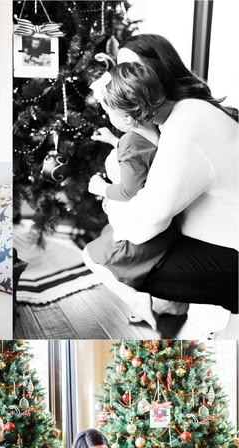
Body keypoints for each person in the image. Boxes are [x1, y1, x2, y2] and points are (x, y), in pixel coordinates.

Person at [82, 33, 238, 337]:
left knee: (113, 258)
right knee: (114, 238)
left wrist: (109, 201)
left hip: (232, 248)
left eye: (131, 69)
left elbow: (147, 221)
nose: (120, 79)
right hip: (223, 235)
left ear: (158, 73)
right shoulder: (184, 112)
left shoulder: (185, 125)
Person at [87, 64, 178, 328]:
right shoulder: (159, 131)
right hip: (164, 228)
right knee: (107, 234)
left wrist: (100, 188)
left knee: (92, 257)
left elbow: (128, 191)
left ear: (127, 119)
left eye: (107, 111)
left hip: (142, 232)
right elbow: (144, 156)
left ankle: (136, 299)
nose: (105, 115)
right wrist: (113, 140)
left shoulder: (130, 142)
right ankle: (169, 303)